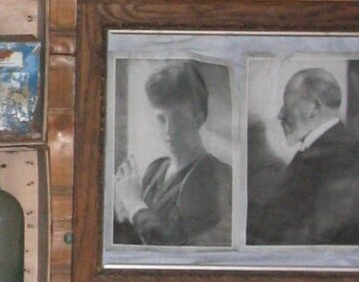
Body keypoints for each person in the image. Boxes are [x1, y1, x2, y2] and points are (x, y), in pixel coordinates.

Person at [114, 61, 232, 247]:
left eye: (178, 118)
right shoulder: (156, 169)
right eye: (162, 119)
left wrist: (134, 205)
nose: (169, 130)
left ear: (198, 119)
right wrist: (124, 212)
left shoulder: (215, 176)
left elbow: (175, 254)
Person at [247, 66, 359, 245]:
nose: (280, 114)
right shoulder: (323, 148)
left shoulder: (345, 157)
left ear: (314, 108)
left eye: (286, 103)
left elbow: (321, 236)